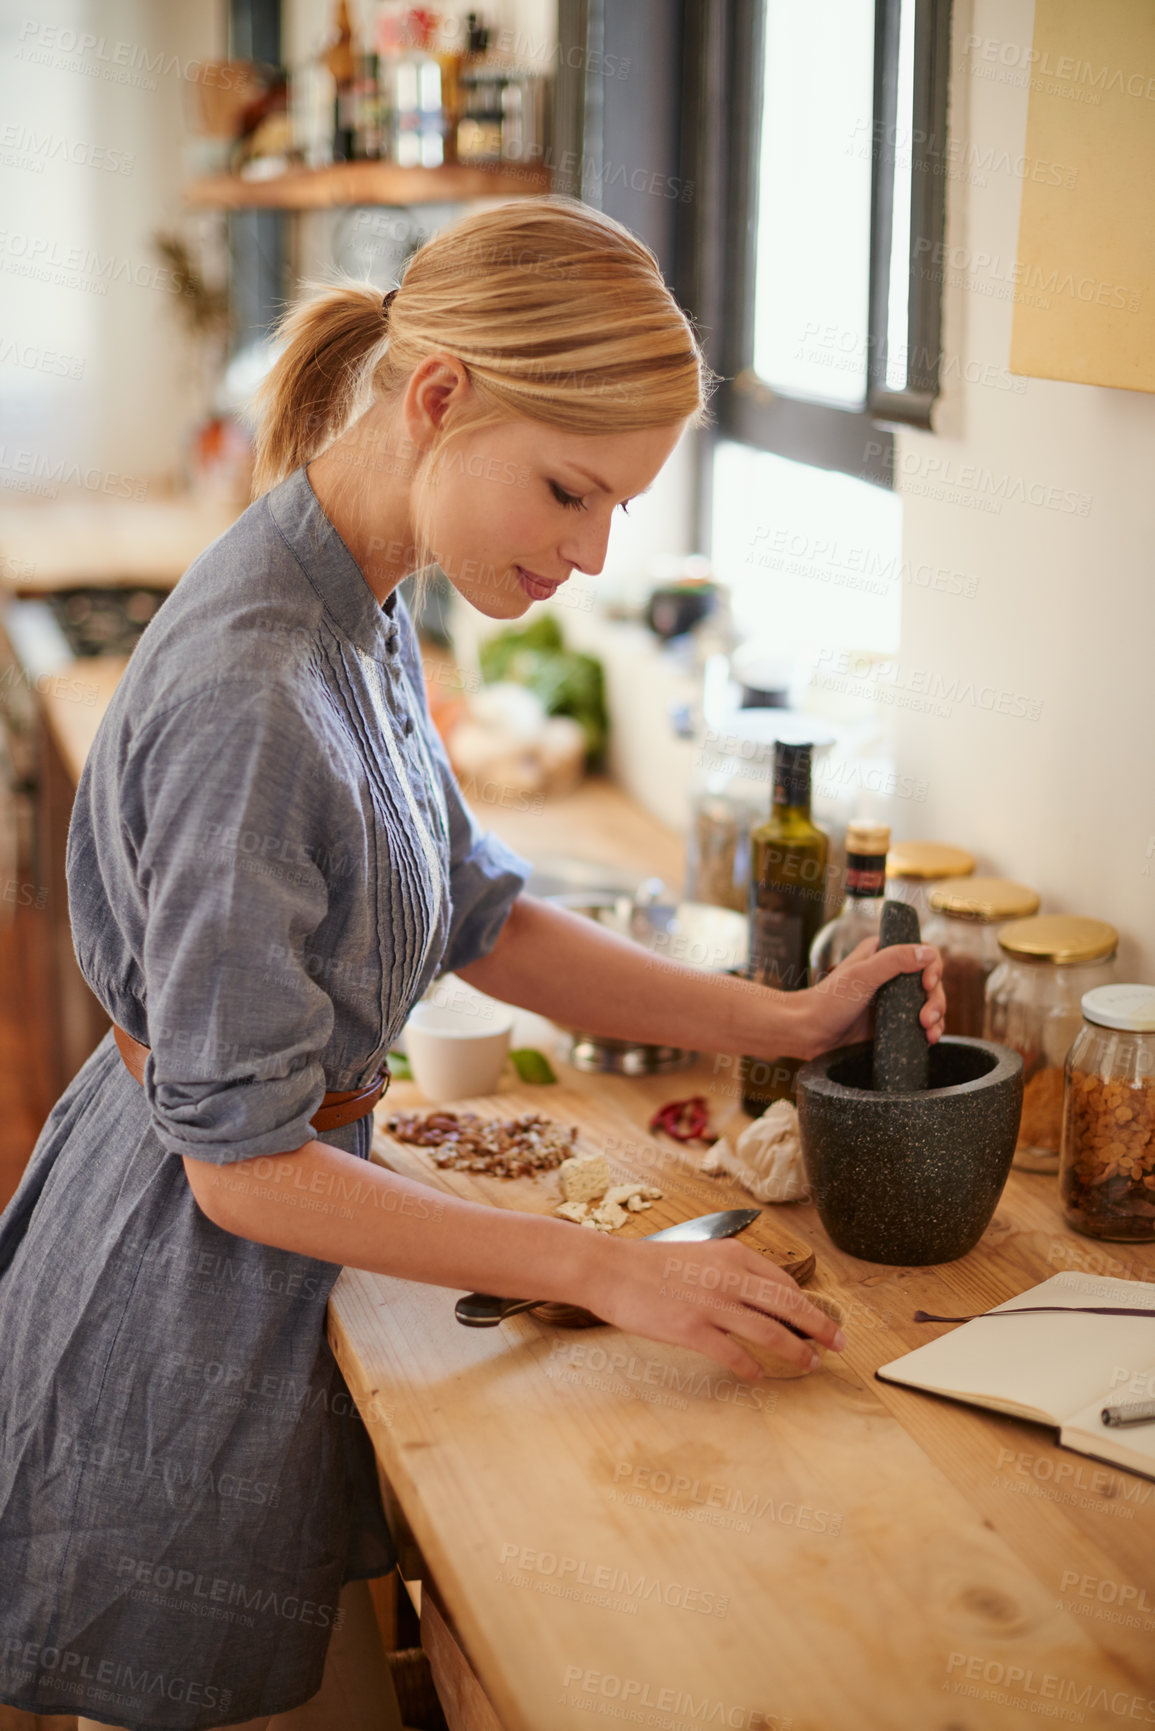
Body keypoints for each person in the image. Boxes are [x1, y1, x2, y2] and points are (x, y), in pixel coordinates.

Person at [0, 197, 945, 1731]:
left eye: (619, 509)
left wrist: (785, 1012)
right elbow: (239, 1169)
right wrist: (610, 1274)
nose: (589, 553)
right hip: (174, 1315)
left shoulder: (358, 598)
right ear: (438, 396)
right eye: (571, 491)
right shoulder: (257, 689)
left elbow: (485, 917)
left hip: (274, 1262)